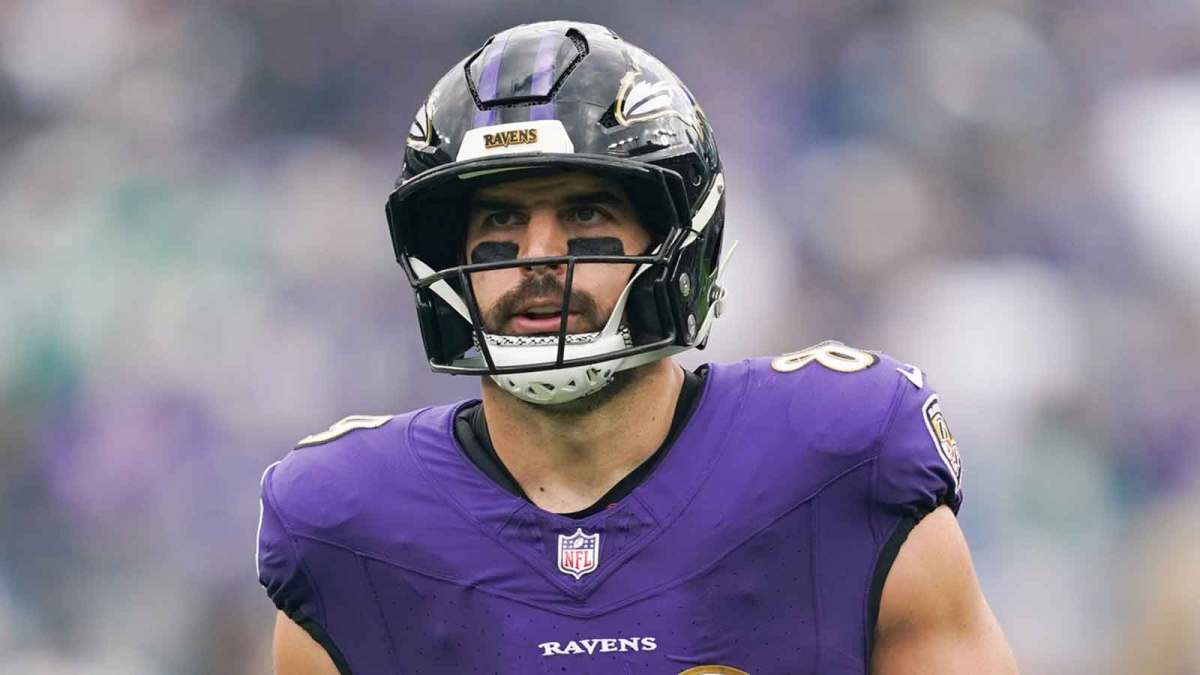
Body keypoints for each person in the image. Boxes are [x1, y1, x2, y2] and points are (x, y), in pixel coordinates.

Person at [256, 20, 1018, 675]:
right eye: (500, 221)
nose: (538, 256)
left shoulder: (841, 456)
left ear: (677, 244)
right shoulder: (347, 525)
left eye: (585, 212)